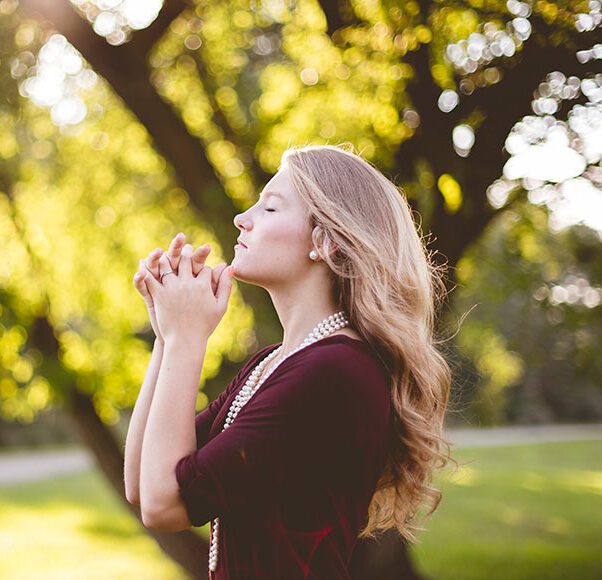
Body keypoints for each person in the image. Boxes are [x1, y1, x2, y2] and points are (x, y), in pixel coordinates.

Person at [124, 144, 455, 579]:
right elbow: (140, 484)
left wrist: (187, 337)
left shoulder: (333, 373)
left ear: (326, 240)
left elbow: (165, 505)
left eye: (271, 207)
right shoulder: (276, 362)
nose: (243, 217)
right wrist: (168, 337)